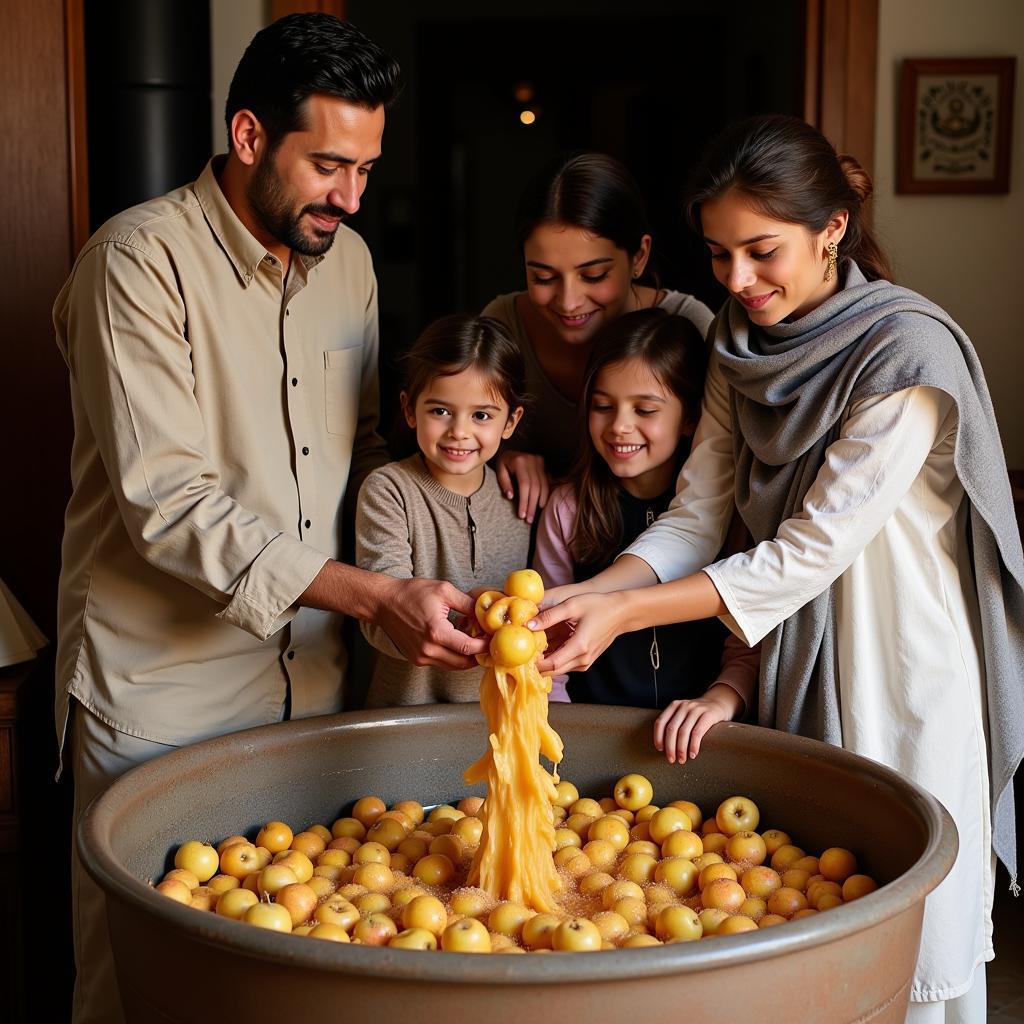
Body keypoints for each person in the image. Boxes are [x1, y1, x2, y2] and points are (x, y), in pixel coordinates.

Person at [533, 114, 1024, 1022]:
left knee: (909, 928)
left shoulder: (904, 353)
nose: (739, 281)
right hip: (794, 649)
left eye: (761, 252)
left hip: (898, 663)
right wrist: (589, 595)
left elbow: (811, 548)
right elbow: (698, 511)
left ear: (831, 227)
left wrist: (622, 617)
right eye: (719, 256)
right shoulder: (738, 339)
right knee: (806, 905)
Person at [53, 16, 485, 1023]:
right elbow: (168, 502)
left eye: (367, 169)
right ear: (249, 136)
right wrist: (376, 594)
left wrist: (457, 533)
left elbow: (371, 454)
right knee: (147, 990)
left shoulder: (351, 263)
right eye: (329, 165)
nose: (351, 195)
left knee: (296, 986)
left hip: (321, 690)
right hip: (163, 699)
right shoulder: (137, 262)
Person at [532, 307, 759, 733]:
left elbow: (748, 636)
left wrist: (721, 698)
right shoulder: (567, 509)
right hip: (586, 738)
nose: (620, 426)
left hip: (704, 736)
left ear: (692, 417)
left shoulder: (730, 513)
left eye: (645, 410)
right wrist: (557, 730)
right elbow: (548, 646)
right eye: (602, 406)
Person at [482, 151, 714, 521]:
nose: (569, 302)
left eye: (593, 276)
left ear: (639, 256)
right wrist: (499, 456)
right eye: (543, 277)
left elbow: (722, 467)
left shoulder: (689, 326)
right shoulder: (504, 325)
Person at [356, 314, 531, 706]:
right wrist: (479, 616)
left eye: (482, 415)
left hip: (500, 725)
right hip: (405, 723)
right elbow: (379, 619)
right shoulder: (389, 491)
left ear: (510, 422)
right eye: (440, 411)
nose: (459, 431)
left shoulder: (520, 495)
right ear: (409, 409)